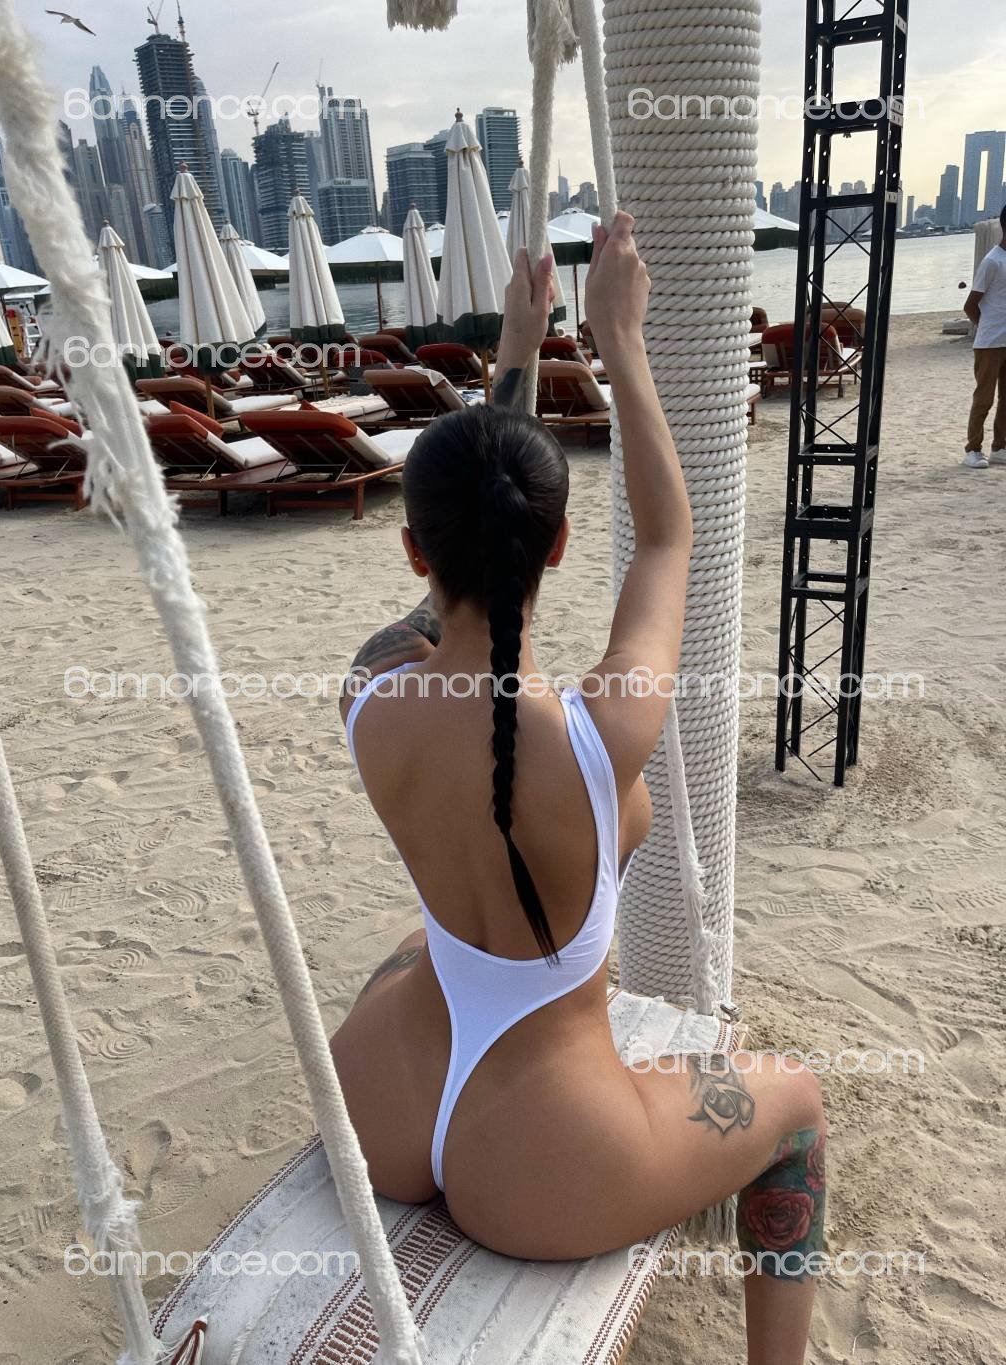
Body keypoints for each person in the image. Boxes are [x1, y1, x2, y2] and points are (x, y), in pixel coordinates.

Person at [330, 215, 826, 1364]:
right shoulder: (604, 734)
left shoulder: (370, 692)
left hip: (382, 1103)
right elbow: (666, 543)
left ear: (415, 553)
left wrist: (515, 352)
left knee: (417, 940)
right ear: (555, 547)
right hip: (538, 1158)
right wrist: (620, 344)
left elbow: (458, 572)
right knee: (796, 1104)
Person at [962, 203, 1006, 468]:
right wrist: (985, 326)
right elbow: (970, 305)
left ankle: (1000, 446)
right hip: (990, 342)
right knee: (984, 399)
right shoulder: (992, 261)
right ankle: (973, 449)